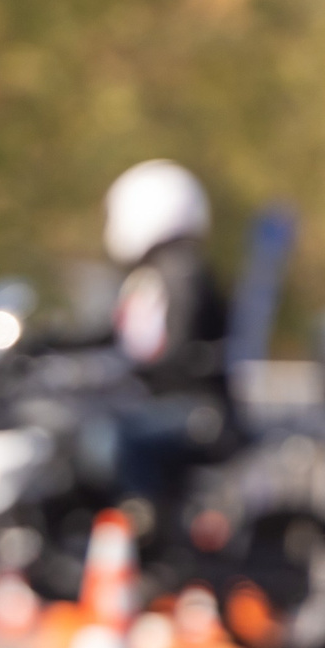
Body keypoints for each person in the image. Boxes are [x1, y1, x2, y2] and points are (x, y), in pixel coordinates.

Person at [90, 159, 236, 509]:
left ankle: (141, 524)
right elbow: (115, 337)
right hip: (171, 404)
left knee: (113, 437)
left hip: (195, 410)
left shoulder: (182, 271)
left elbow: (174, 346)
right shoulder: (155, 273)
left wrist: (120, 369)